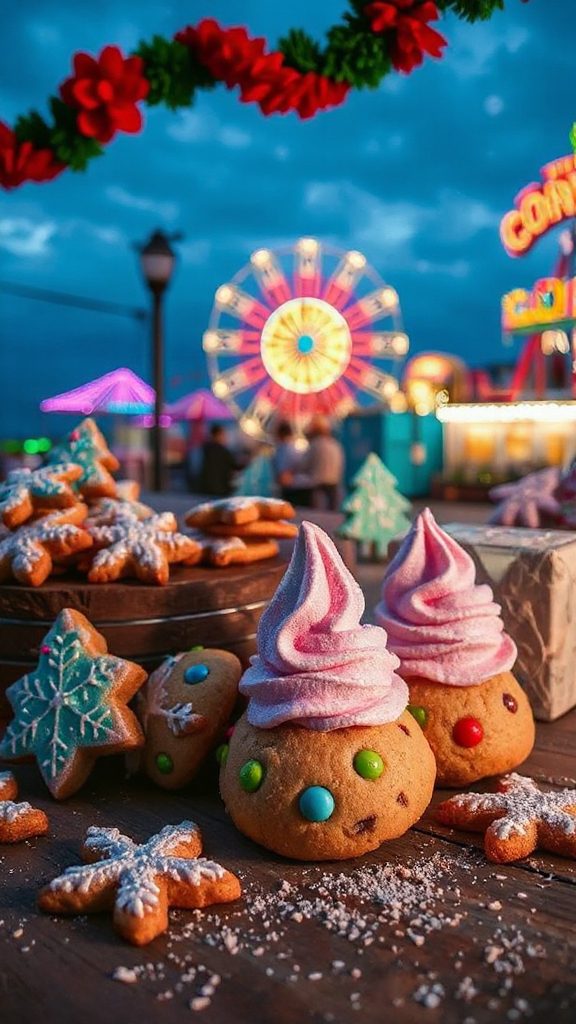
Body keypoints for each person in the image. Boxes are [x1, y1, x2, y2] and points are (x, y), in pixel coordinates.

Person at [302, 415, 345, 511]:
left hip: (318, 487)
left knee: (318, 519)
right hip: (334, 487)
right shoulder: (335, 445)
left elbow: (303, 466)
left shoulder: (314, 445)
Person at [273, 421, 311, 507]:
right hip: (301, 486)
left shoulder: (284, 449)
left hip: (292, 488)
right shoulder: (295, 448)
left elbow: (284, 472)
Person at [198, 423, 236, 496]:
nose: (225, 437)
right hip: (220, 487)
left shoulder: (206, 448)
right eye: (223, 434)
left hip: (206, 487)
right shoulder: (222, 450)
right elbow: (234, 465)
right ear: (218, 435)